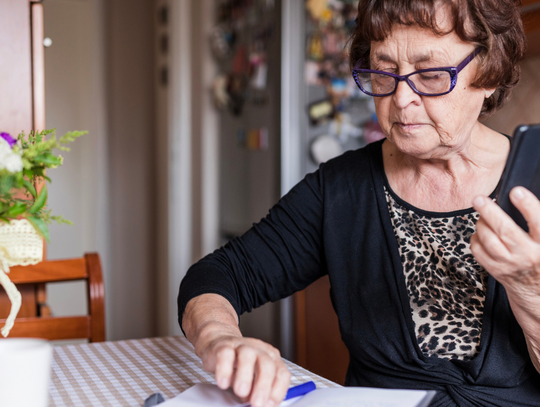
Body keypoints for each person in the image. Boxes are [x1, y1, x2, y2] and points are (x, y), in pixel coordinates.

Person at [178, 1, 540, 406]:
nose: (402, 98)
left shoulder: (535, 178)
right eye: (384, 72)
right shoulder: (340, 190)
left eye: (433, 75)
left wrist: (532, 291)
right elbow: (219, 274)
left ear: (489, 72)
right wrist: (221, 339)